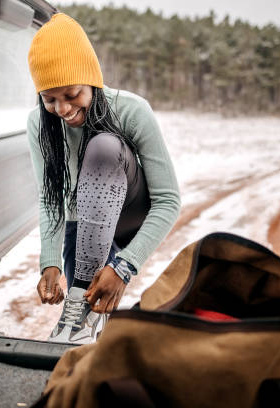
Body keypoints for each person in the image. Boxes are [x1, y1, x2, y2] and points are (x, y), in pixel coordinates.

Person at [26, 13, 181, 344]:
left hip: (130, 217)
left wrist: (125, 267)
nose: (63, 109)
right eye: (49, 99)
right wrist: (49, 263)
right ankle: (82, 317)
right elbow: (49, 197)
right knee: (85, 301)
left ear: (92, 80)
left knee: (103, 146)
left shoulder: (132, 110)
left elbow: (168, 201)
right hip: (81, 222)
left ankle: (86, 300)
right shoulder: (39, 125)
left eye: (72, 94)